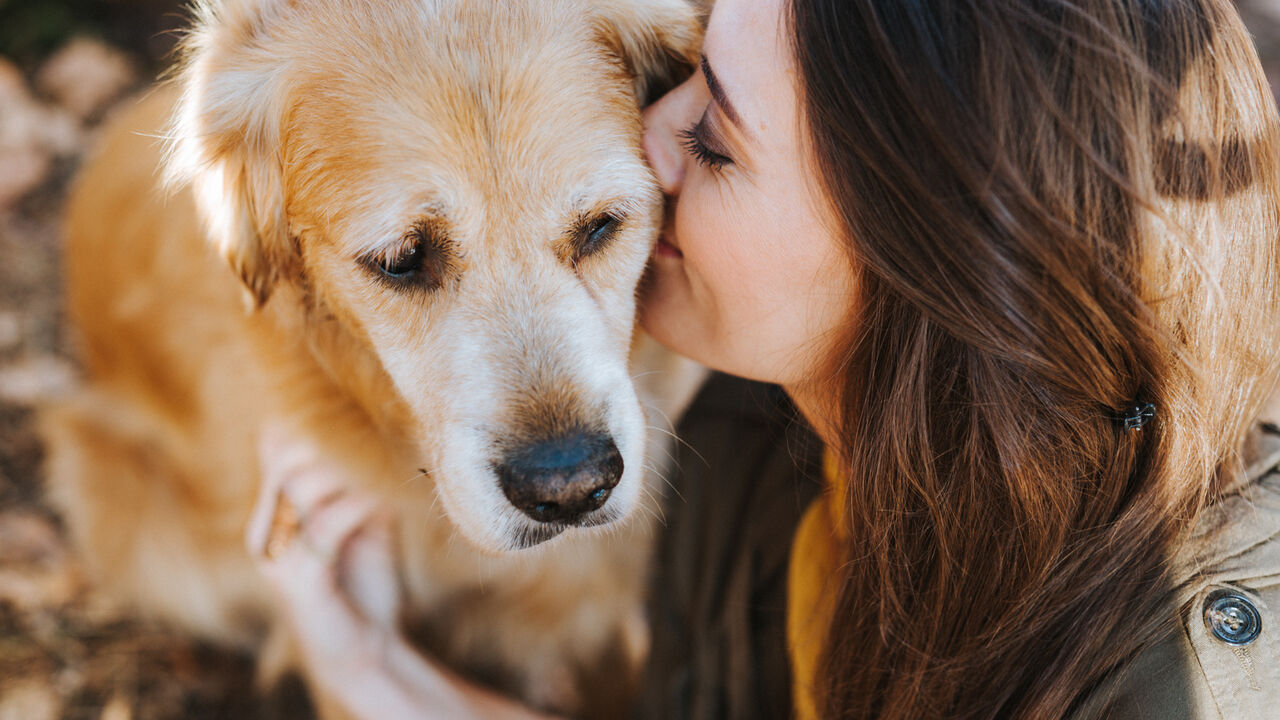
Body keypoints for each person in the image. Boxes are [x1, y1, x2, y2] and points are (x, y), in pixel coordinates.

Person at [246, 0, 1280, 718]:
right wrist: (373, 669)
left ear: (931, 238)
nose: (645, 142)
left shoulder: (1184, 686)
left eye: (711, 139)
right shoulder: (755, 435)